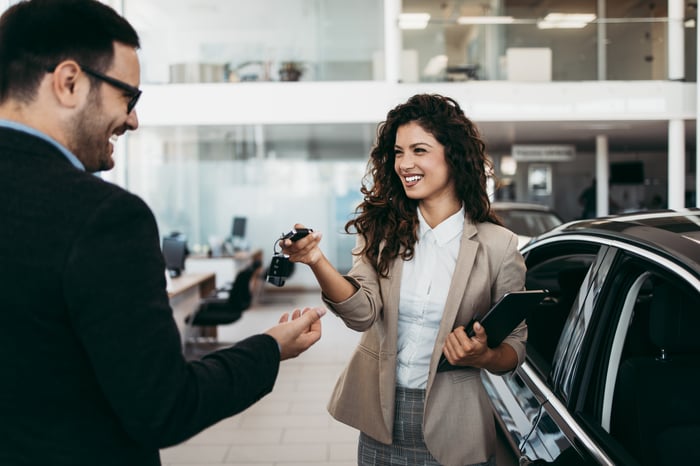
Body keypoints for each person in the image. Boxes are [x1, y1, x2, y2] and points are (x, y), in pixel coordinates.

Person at [0, 1, 323, 465]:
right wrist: (271, 347)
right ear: (68, 82)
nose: (133, 120)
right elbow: (164, 407)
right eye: (128, 97)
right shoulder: (104, 217)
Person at [282, 94, 527, 466]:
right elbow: (361, 314)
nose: (405, 164)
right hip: (381, 414)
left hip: (456, 423)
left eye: (419, 150)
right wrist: (315, 260)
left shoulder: (499, 246)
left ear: (453, 155)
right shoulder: (380, 230)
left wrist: (486, 355)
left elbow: (515, 348)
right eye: (398, 152)